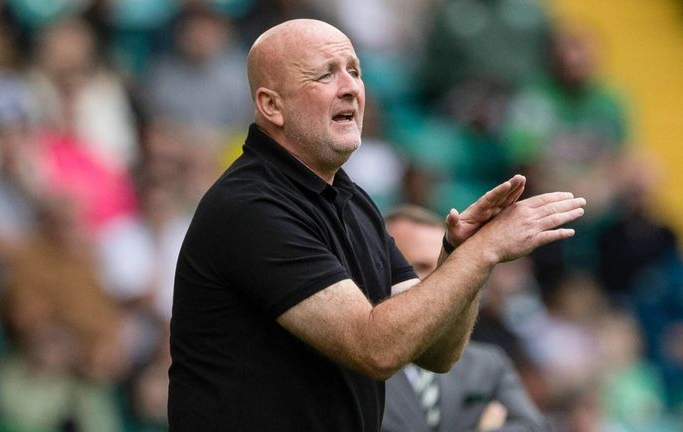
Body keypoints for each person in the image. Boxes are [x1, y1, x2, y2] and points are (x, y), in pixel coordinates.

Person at [168, 19, 586, 432]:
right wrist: (484, 252)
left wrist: (462, 255)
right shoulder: (251, 205)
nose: (350, 86)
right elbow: (375, 349)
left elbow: (437, 352)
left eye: (354, 70)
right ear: (272, 106)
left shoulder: (354, 202)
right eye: (325, 75)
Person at [381, 205, 548, 432]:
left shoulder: (488, 366)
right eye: (416, 268)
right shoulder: (350, 367)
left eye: (444, 267)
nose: (436, 280)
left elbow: (532, 428)